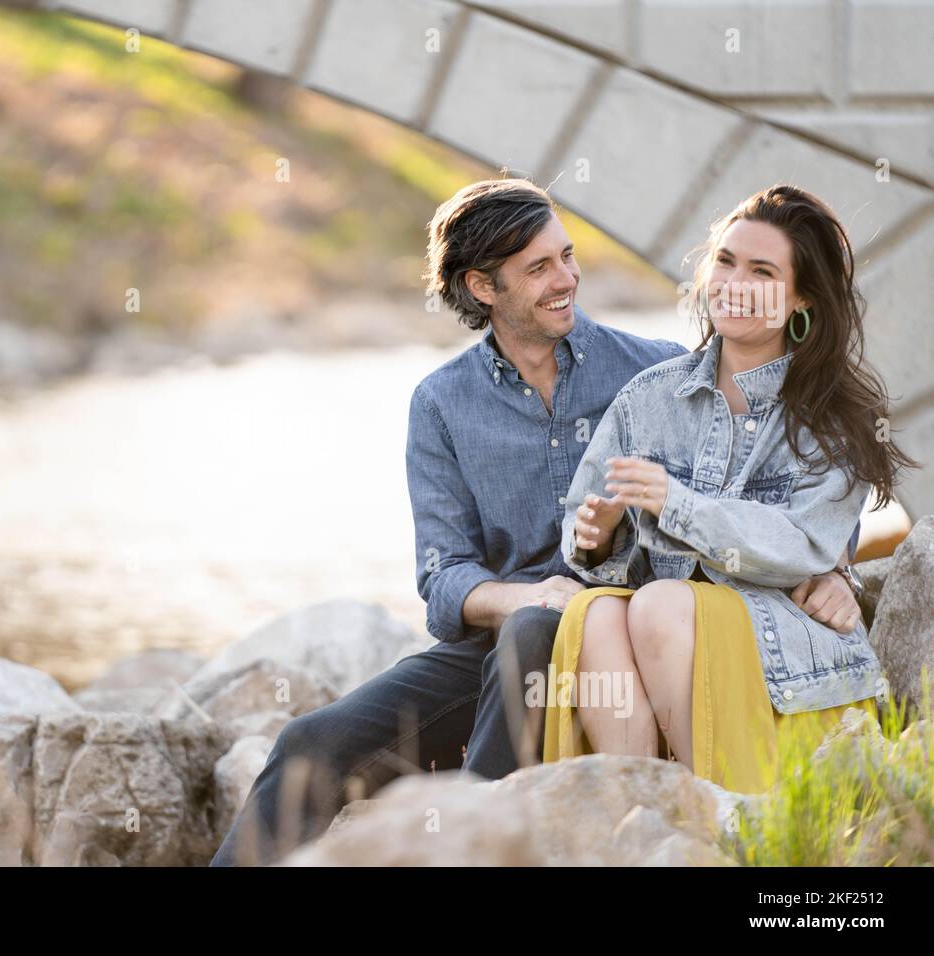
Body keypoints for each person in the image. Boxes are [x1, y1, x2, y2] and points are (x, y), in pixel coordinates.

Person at [208, 178, 863, 866]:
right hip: (505, 638)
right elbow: (443, 577)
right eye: (539, 268)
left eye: (568, 257)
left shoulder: (655, 372)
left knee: (534, 637)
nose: (567, 279)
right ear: (483, 288)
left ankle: (474, 838)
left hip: (623, 633)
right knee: (311, 744)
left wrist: (835, 566)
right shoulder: (441, 404)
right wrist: (528, 595)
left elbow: (784, 468)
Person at [549, 184, 915, 792]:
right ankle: (643, 817)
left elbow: (804, 547)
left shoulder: (833, 417)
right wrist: (596, 536)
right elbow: (584, 535)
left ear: (803, 300)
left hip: (787, 657)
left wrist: (678, 503)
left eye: (763, 271)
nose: (734, 283)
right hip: (665, 629)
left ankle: (722, 814)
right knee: (592, 616)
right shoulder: (649, 397)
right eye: (725, 261)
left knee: (660, 603)